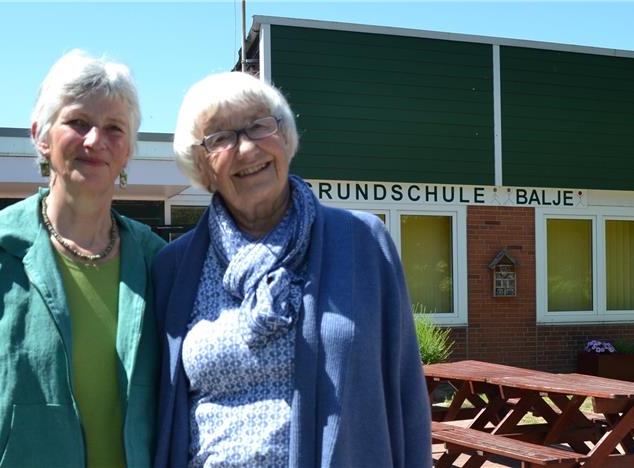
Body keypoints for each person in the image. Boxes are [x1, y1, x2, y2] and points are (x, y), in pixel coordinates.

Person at [153, 71, 431, 468]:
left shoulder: (363, 242)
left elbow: (407, 393)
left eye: (259, 125)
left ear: (284, 137)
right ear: (203, 165)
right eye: (220, 137)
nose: (247, 148)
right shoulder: (173, 268)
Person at [0, 49, 165, 467]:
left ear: (128, 152)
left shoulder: (158, 261)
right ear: (41, 136)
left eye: (114, 128)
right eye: (78, 122)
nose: (95, 140)